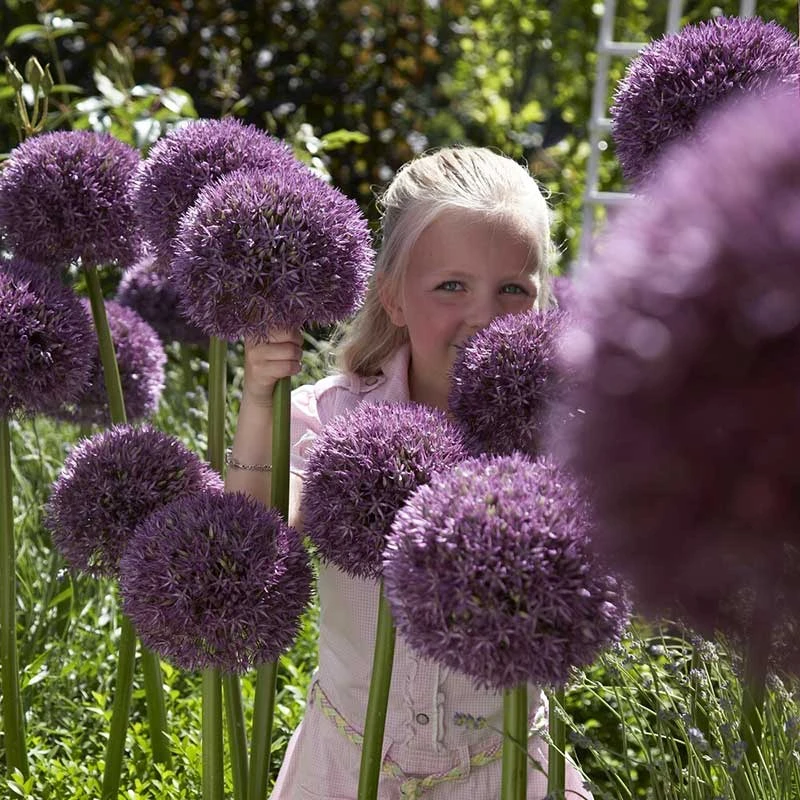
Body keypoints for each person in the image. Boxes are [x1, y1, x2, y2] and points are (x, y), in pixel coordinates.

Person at [225, 146, 593, 799]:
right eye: (452, 286)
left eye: (514, 289)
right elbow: (253, 534)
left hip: (505, 773)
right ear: (391, 296)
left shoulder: (565, 429)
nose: (483, 315)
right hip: (346, 768)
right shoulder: (333, 417)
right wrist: (260, 398)